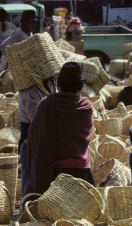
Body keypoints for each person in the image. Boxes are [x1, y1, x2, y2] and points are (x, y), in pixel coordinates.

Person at [27, 62, 95, 195]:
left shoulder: (46, 104)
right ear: (80, 85)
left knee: (53, 214)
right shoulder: (86, 106)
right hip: (80, 172)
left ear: (60, 84)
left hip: (52, 173)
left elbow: (34, 136)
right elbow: (88, 135)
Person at [17, 77, 55, 198]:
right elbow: (38, 121)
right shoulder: (29, 92)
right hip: (31, 146)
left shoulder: (49, 84)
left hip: (44, 143)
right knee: (30, 184)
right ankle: (27, 212)